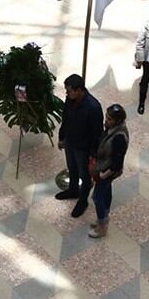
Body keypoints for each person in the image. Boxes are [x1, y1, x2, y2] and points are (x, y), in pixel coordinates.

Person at [56, 74, 103, 217]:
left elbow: (97, 133)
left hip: (83, 149)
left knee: (85, 175)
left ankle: (83, 201)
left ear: (79, 90)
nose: (67, 93)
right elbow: (65, 119)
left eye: (69, 90)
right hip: (70, 143)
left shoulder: (93, 107)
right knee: (72, 169)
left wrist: (93, 154)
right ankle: (73, 190)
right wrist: (62, 137)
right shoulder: (70, 100)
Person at [89, 104, 129, 238]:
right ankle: (105, 217)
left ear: (117, 121)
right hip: (104, 167)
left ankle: (102, 226)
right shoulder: (111, 129)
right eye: (106, 117)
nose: (106, 121)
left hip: (107, 171)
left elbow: (116, 165)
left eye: (109, 119)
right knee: (106, 192)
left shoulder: (119, 138)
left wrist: (102, 175)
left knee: (97, 197)